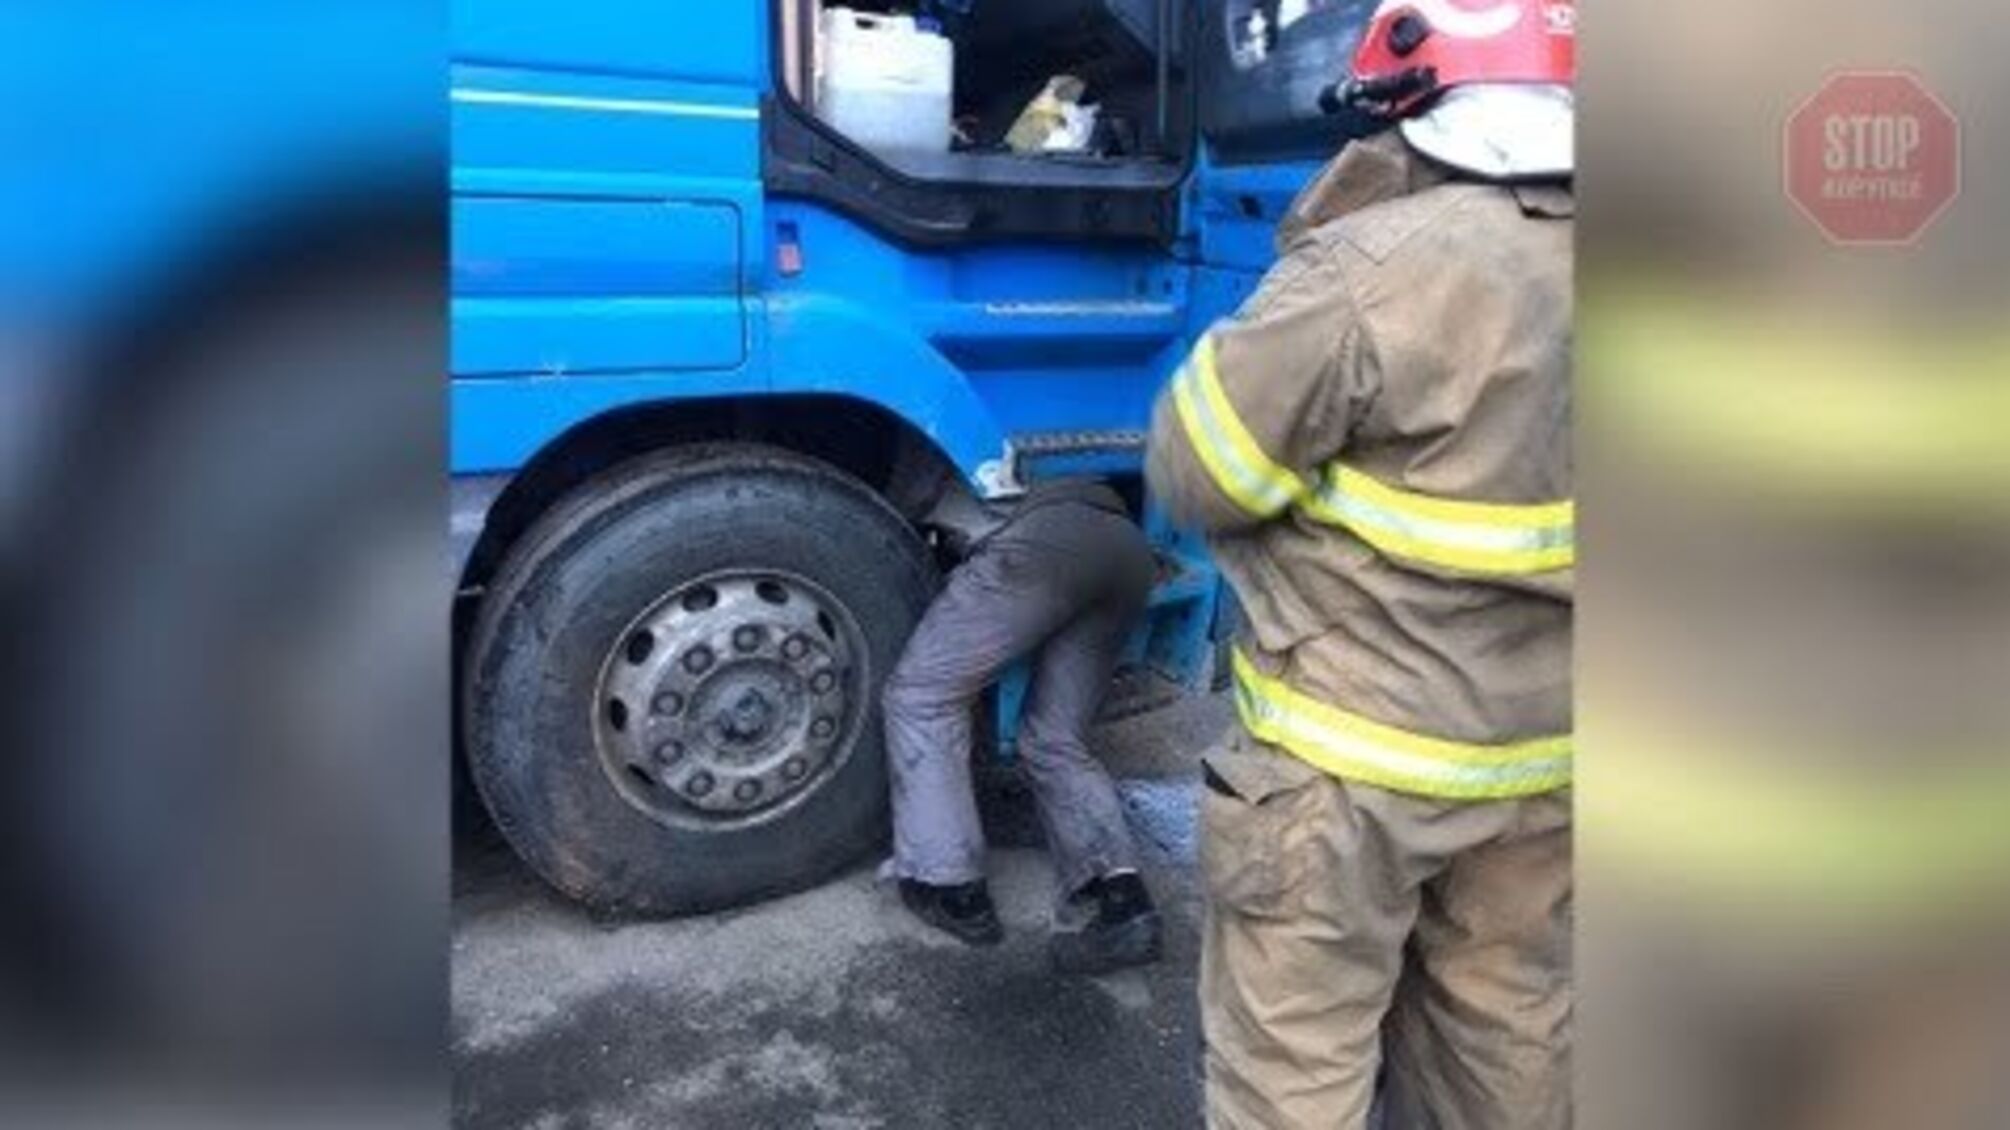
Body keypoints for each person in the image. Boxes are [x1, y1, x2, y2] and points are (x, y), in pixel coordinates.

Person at [1145, 1, 1576, 1126]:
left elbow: (1198, 472)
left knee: (1295, 1062)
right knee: (1509, 1046)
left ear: (1411, 98)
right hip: (1548, 764)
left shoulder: (1371, 268)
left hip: (1350, 770)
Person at [881, 476, 1163, 974]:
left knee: (922, 697)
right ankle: (1123, 903)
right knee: (1055, 740)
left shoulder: (925, 472)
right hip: (1127, 549)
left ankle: (951, 888)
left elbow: (903, 518)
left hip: (1043, 548)